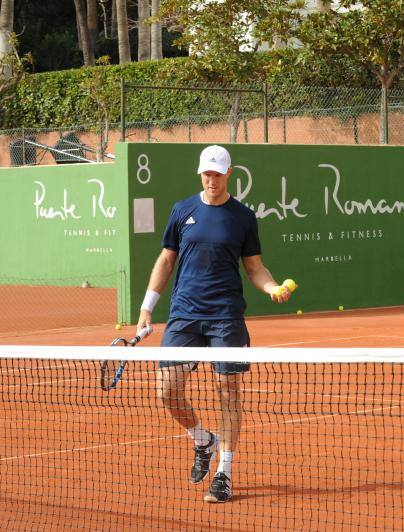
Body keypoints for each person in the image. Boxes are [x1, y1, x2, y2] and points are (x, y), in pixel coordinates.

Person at [136, 145, 291, 503]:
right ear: (200, 174)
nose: (211, 180)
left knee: (228, 391)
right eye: (206, 174)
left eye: (217, 174)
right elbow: (166, 260)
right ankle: (202, 439)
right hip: (184, 315)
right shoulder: (182, 211)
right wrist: (147, 308)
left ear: (228, 174)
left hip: (225, 316)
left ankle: (224, 472)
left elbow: (255, 266)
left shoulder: (243, 217)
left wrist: (271, 287)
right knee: (167, 390)